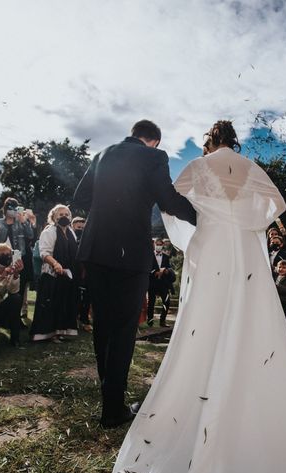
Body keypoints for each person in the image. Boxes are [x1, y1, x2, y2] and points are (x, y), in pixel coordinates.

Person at [111, 120, 286, 473]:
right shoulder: (251, 167)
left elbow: (171, 202)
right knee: (249, 318)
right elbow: (277, 203)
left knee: (203, 321)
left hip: (212, 247)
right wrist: (247, 220)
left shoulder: (199, 166)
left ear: (209, 142)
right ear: (234, 141)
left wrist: (205, 219)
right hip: (244, 251)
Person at [73, 119, 197, 428]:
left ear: (133, 134)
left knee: (103, 326)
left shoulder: (101, 154)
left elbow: (80, 199)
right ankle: (114, 408)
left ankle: (110, 403)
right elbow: (168, 200)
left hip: (96, 250)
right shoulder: (154, 157)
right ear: (153, 140)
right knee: (124, 328)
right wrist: (204, 217)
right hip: (129, 253)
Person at [30, 205, 79, 342]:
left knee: (63, 303)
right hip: (52, 274)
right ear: (54, 216)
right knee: (51, 304)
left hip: (67, 274)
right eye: (60, 214)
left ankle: (60, 331)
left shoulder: (71, 231)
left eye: (66, 214)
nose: (64, 216)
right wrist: (56, 264)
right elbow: (44, 253)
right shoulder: (49, 231)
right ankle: (47, 333)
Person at [147, 238, 176, 327]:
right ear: (154, 244)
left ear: (162, 245)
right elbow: (147, 268)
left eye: (160, 245)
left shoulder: (166, 257)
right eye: (157, 244)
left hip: (163, 283)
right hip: (152, 283)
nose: (158, 246)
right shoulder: (149, 256)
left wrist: (166, 270)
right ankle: (150, 322)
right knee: (151, 303)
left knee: (166, 302)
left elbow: (169, 268)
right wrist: (154, 272)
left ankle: (162, 321)